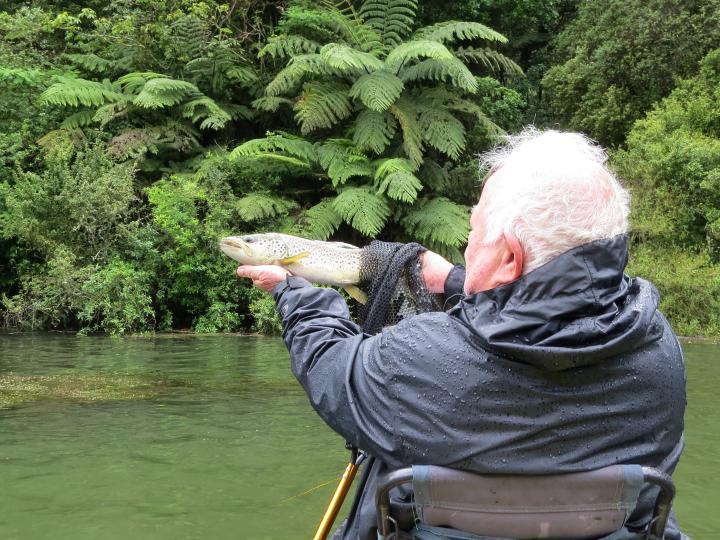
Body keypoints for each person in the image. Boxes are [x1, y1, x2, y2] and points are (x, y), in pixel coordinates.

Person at [236, 129, 687, 540]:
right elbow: (549, 308)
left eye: (474, 232)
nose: (468, 247)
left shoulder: (417, 356)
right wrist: (455, 280)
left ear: (509, 258)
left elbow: (330, 364)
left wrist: (293, 292)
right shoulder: (658, 349)